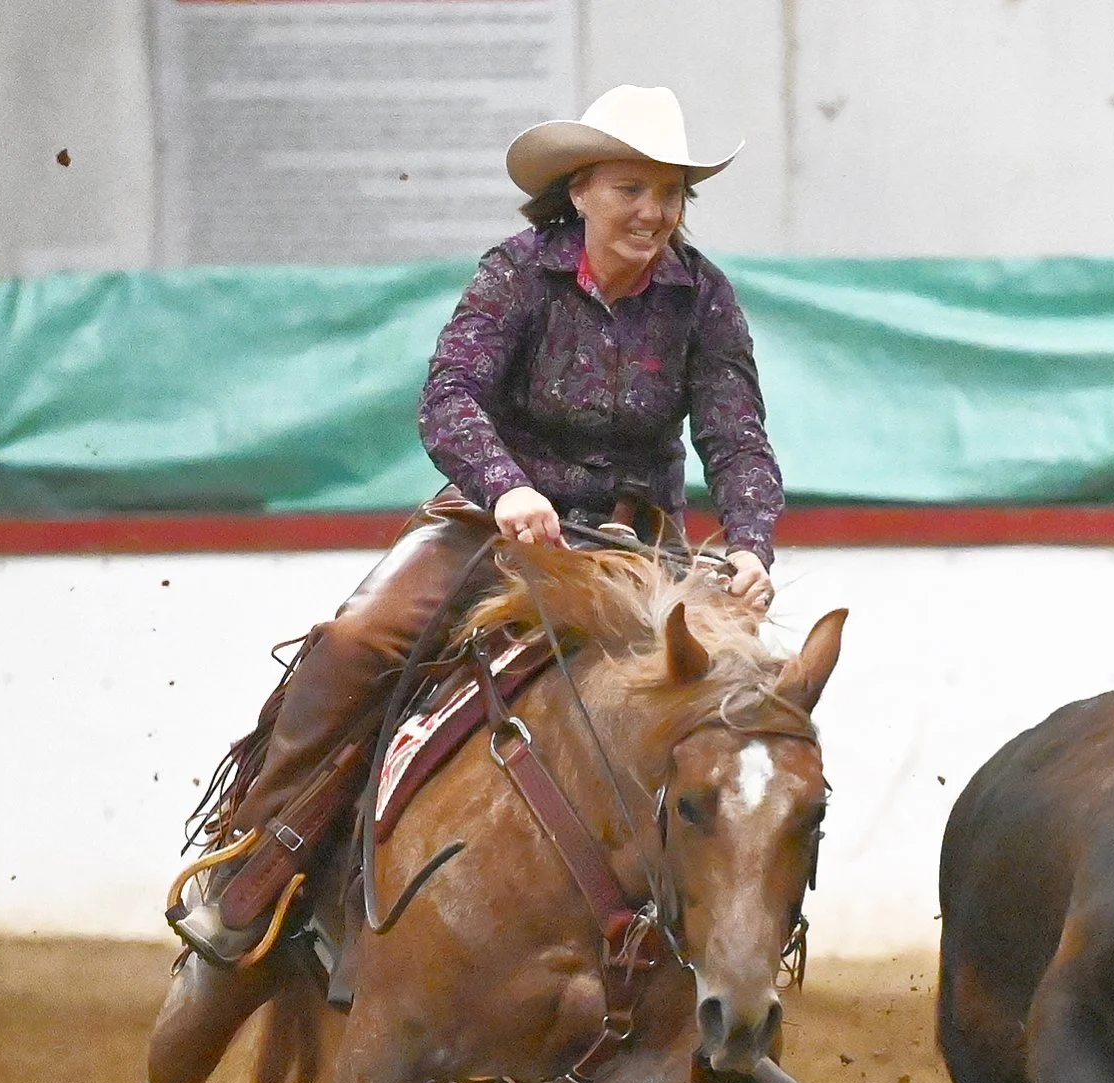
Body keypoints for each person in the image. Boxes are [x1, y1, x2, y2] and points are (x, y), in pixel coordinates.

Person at [171, 85, 784, 966]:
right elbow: (450, 396)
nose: (655, 212)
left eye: (671, 192)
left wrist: (750, 542)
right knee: (356, 641)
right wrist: (504, 487)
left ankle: (731, 967)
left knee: (738, 708)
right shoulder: (517, 272)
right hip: (492, 528)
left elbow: (736, 433)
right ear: (577, 190)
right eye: (632, 189)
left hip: (633, 547)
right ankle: (257, 857)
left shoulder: (705, 298)